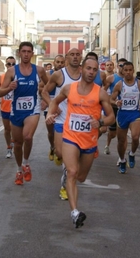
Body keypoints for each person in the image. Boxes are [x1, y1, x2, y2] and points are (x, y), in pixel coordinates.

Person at [45, 58, 115, 228]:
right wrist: (49, 114)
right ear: (82, 69)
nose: (91, 72)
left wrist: (100, 122)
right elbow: (55, 100)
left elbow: (111, 117)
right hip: (71, 136)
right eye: (88, 68)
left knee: (81, 177)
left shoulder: (100, 93)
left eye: (94, 70)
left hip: (89, 140)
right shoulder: (69, 88)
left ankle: (70, 178)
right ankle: (75, 213)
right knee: (72, 172)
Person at [0, 42, 48, 185]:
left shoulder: (39, 70)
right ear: (19, 53)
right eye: (23, 51)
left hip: (33, 109)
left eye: (29, 51)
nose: (26, 54)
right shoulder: (12, 71)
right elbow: (0, 92)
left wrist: (45, 99)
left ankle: (26, 163)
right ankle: (19, 169)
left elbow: (49, 86)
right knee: (18, 143)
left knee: (28, 136)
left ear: (32, 53)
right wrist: (9, 88)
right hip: (16, 111)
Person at [42, 48, 82, 200]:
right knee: (60, 153)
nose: (75, 57)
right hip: (61, 119)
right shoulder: (59, 75)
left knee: (71, 158)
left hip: (78, 122)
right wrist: (53, 105)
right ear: (67, 58)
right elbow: (45, 92)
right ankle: (58, 155)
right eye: (72, 54)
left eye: (78, 54)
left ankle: (65, 186)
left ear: (81, 57)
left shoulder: (86, 75)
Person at [111, 61, 140, 174]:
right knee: (121, 141)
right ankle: (122, 160)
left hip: (134, 114)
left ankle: (132, 154)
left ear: (133, 70)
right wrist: (116, 102)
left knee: (135, 137)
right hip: (122, 114)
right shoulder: (119, 85)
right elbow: (111, 99)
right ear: (122, 71)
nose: (128, 72)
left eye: (130, 70)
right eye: (125, 70)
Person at [38, 55, 65, 161]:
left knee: (62, 129)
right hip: (50, 103)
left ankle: (62, 150)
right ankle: (52, 146)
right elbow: (41, 87)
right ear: (54, 63)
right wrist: (46, 100)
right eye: (57, 62)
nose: (60, 64)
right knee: (51, 131)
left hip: (63, 104)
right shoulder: (49, 75)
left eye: (62, 62)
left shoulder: (67, 75)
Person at [0, 56, 16, 159]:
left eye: (13, 64)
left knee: (15, 129)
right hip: (5, 108)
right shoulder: (0, 77)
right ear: (6, 65)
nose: (11, 66)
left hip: (16, 108)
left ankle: (14, 142)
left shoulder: (18, 76)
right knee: (7, 129)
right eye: (9, 64)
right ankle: (9, 147)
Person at [102, 58, 127, 155]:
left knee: (122, 135)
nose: (122, 68)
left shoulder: (130, 78)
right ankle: (107, 145)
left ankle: (122, 157)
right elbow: (103, 91)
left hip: (125, 109)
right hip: (113, 107)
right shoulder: (111, 78)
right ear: (117, 66)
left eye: (124, 66)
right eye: (120, 65)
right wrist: (107, 100)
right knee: (112, 133)